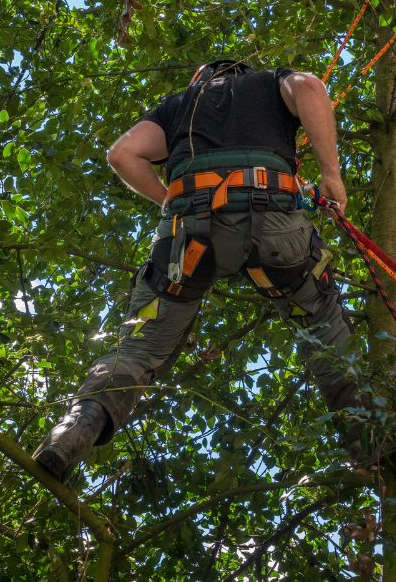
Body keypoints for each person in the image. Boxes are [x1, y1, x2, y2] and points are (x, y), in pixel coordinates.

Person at [32, 60, 362, 482]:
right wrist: (331, 177)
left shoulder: (178, 106)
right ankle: (370, 439)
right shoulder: (268, 82)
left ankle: (73, 430)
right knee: (321, 321)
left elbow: (121, 155)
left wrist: (175, 203)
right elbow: (311, 88)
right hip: (276, 229)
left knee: (139, 348)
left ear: (200, 80)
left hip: (187, 239)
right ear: (241, 73)